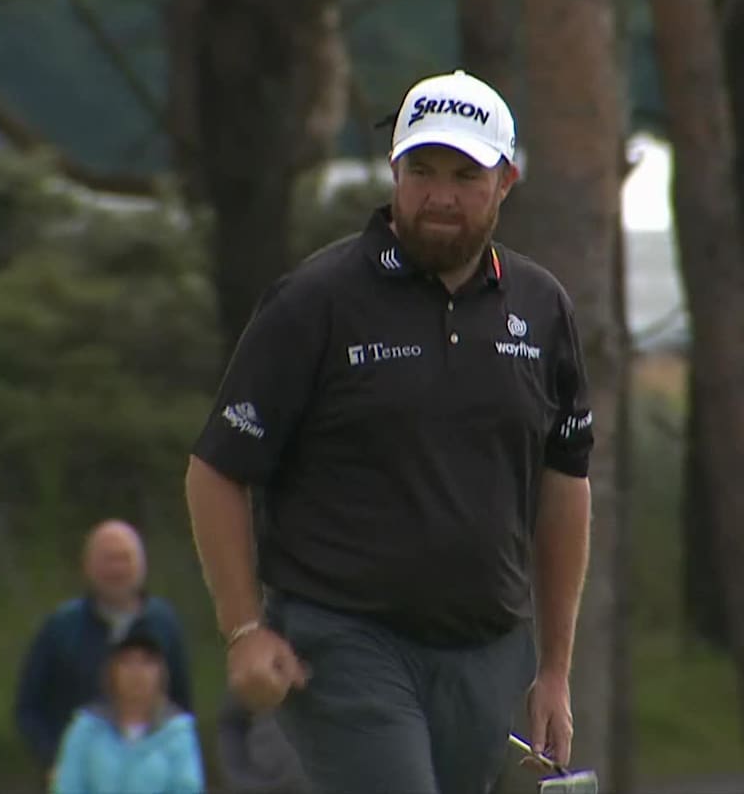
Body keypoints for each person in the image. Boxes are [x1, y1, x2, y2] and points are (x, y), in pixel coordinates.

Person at [184, 68, 594, 794]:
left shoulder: (542, 306)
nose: (439, 195)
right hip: (343, 639)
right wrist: (244, 628)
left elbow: (565, 482)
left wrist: (553, 670)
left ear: (506, 180)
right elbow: (217, 468)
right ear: (394, 173)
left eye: (465, 175)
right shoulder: (317, 301)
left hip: (486, 649)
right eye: (421, 171)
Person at [16, 519, 194, 774]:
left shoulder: (164, 625)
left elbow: (181, 705)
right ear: (87, 565)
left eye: (125, 558)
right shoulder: (60, 628)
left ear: (142, 565)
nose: (117, 569)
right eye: (108, 559)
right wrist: (54, 761)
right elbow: (29, 708)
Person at [50, 621, 206, 794]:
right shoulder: (85, 729)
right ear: (111, 670)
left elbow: (187, 788)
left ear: (161, 671)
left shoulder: (178, 732)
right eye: (126, 661)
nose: (136, 672)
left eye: (147, 661)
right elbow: (68, 787)